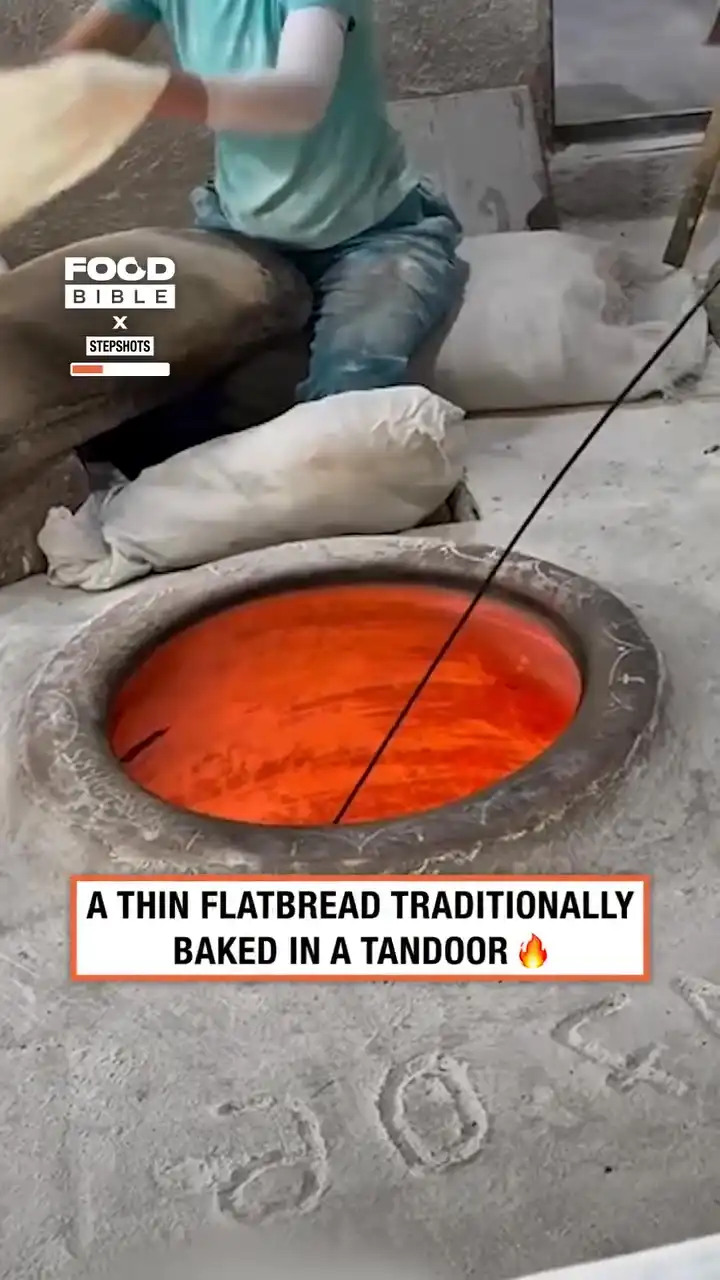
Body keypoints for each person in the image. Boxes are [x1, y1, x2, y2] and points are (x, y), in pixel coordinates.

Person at [54, 0, 465, 403]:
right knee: (121, 369)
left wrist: (144, 90)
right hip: (240, 231)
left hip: (375, 234)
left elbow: (299, 100)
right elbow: (67, 69)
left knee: (350, 388)